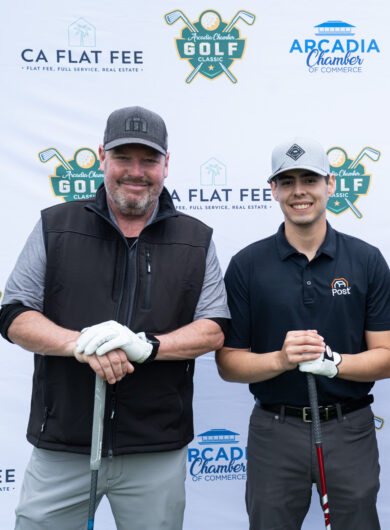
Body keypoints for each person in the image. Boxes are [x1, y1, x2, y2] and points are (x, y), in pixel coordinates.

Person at [0, 106, 229, 530]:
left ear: (166, 165)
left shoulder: (197, 239)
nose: (136, 171)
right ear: (102, 156)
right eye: (124, 157)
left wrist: (147, 347)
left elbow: (214, 327)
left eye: (150, 160)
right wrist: (80, 345)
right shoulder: (56, 226)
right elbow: (14, 313)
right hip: (63, 443)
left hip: (155, 448)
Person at [215, 136, 390, 530]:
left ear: (330, 185)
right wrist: (281, 360)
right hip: (275, 430)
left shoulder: (366, 260)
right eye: (287, 181)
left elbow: (387, 357)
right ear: (274, 190)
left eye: (310, 180)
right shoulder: (247, 265)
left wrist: (335, 365)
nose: (299, 191)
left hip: (349, 428)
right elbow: (228, 364)